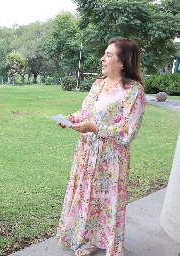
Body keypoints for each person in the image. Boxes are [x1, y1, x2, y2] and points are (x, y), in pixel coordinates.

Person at [56, 37, 147, 256]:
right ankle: (84, 237)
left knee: (103, 199)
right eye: (104, 54)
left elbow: (128, 130)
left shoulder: (133, 92)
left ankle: (98, 241)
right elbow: (86, 113)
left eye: (108, 55)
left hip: (110, 157)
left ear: (123, 61)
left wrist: (97, 129)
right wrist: (71, 117)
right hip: (86, 153)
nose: (102, 59)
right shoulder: (98, 84)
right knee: (87, 195)